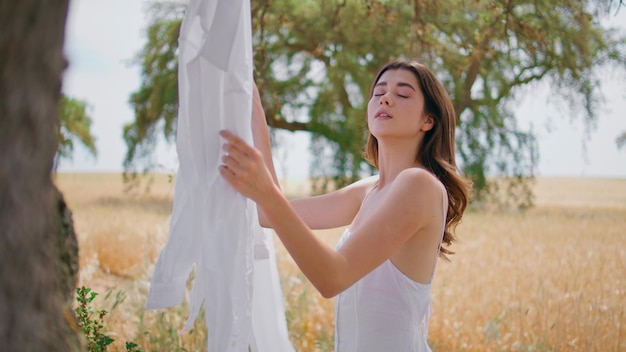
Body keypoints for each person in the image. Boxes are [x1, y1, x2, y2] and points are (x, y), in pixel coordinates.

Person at [219, 60, 471, 352]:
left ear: (428, 120)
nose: (385, 98)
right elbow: (267, 214)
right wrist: (257, 121)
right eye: (378, 93)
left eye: (402, 95)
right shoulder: (368, 190)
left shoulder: (420, 185)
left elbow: (332, 278)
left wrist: (266, 192)